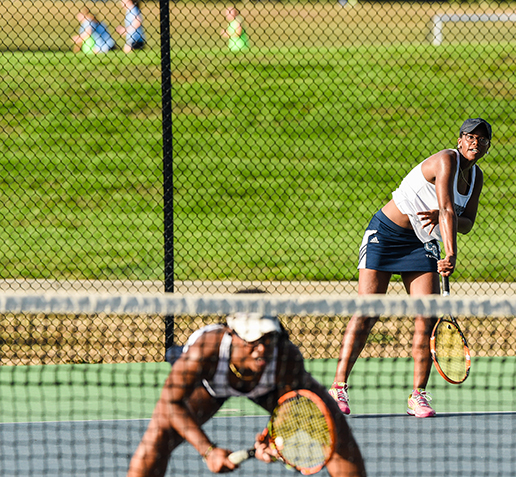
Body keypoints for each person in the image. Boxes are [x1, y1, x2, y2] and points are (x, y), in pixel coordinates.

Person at [329, 118, 491, 418]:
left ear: (487, 146)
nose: (475, 143)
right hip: (386, 235)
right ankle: (338, 387)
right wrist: (451, 252)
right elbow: (445, 210)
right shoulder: (446, 160)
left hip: (421, 243)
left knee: (425, 317)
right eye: (470, 136)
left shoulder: (476, 177)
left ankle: (418, 395)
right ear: (459, 140)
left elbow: (466, 222)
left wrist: (452, 219)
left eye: (482, 139)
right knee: (368, 311)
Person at [127, 312, 366, 477]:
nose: (261, 348)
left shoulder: (285, 356)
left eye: (268, 338)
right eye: (253, 340)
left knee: (336, 432)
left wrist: (276, 438)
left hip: (268, 388)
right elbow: (171, 402)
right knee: (159, 434)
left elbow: (294, 409)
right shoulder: (206, 348)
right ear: (232, 335)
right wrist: (208, 451)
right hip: (211, 385)